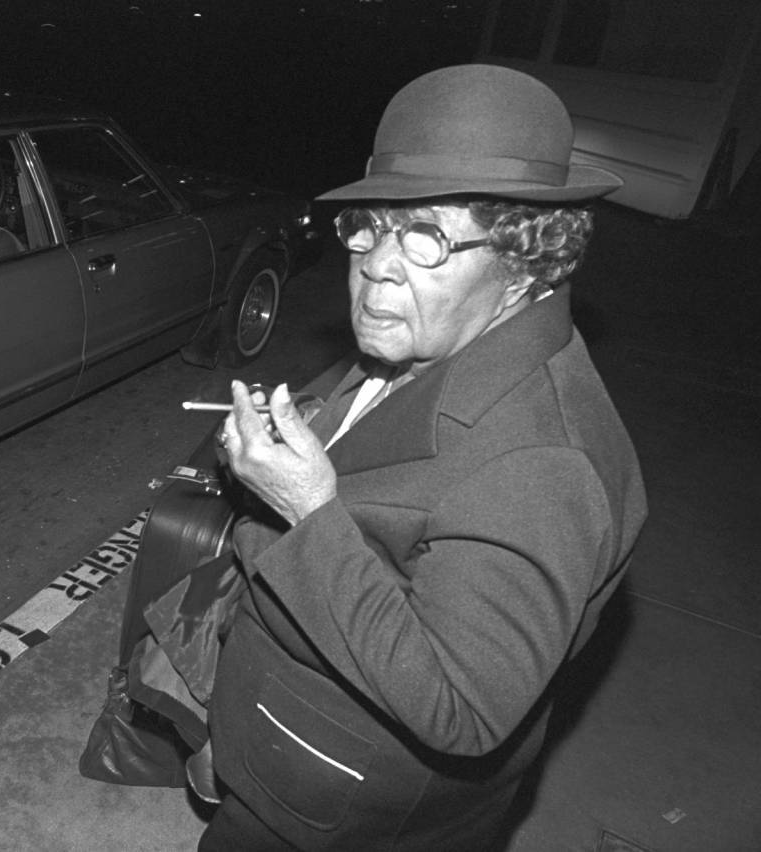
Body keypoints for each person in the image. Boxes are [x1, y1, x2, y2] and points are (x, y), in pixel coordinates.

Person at [200, 64, 648, 850]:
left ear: (524, 264)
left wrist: (307, 507)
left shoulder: (541, 464)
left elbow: (463, 707)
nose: (376, 262)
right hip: (273, 747)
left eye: (428, 237)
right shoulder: (438, 341)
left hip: (336, 813)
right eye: (368, 226)